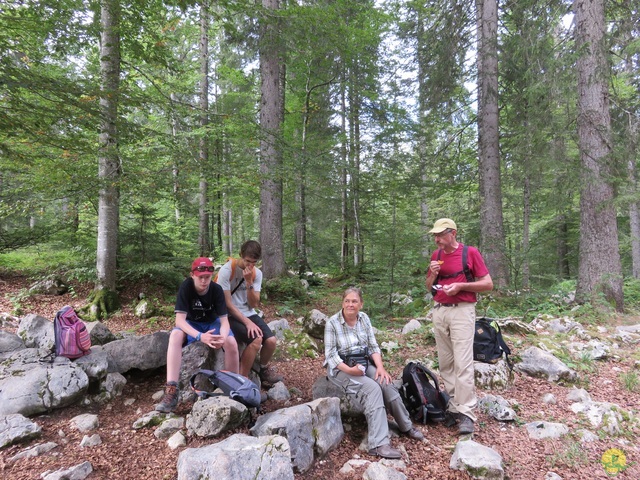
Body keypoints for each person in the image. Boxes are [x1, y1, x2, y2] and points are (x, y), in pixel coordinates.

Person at [324, 287, 424, 460]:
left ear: (361, 304)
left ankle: (406, 425)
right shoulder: (332, 323)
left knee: (385, 382)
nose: (350, 304)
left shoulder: (364, 319)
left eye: (354, 301)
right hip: (341, 368)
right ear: (342, 303)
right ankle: (378, 445)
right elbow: (331, 355)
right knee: (372, 389)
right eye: (347, 301)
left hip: (363, 362)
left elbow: (372, 346)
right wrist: (350, 371)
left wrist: (380, 367)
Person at [425, 218, 493, 435]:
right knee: (446, 362)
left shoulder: (469, 253)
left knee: (463, 363)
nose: (437, 240)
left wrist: (461, 286)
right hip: (440, 310)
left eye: (440, 235)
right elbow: (429, 287)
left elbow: (488, 284)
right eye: (435, 236)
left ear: (452, 233)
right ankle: (454, 407)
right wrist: (433, 274)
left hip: (462, 310)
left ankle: (466, 413)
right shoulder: (436, 256)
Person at [155, 257, 240, 413]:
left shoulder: (216, 289)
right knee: (174, 337)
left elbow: (224, 321)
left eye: (207, 277)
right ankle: (171, 390)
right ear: (192, 275)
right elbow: (179, 321)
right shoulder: (186, 287)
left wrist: (222, 336)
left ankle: (233, 387)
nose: (204, 281)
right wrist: (201, 336)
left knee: (231, 343)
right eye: (200, 277)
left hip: (212, 323)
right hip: (191, 323)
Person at [215, 240, 283, 386]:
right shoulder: (227, 271)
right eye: (247, 261)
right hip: (229, 315)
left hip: (248, 312)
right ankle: (242, 378)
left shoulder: (257, 273)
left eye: (254, 262)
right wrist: (248, 323)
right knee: (256, 339)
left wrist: (248, 283)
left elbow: (254, 304)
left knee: (271, 342)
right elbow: (227, 304)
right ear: (240, 255)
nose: (250, 265)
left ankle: (262, 369)